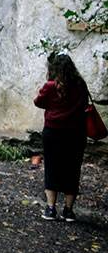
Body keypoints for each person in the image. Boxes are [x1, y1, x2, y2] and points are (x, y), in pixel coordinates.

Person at [34, 52, 89, 222]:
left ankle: (51, 209)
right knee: (73, 169)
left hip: (54, 132)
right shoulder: (80, 85)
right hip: (76, 133)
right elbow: (85, 104)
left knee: (52, 168)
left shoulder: (51, 86)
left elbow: (38, 102)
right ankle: (68, 210)